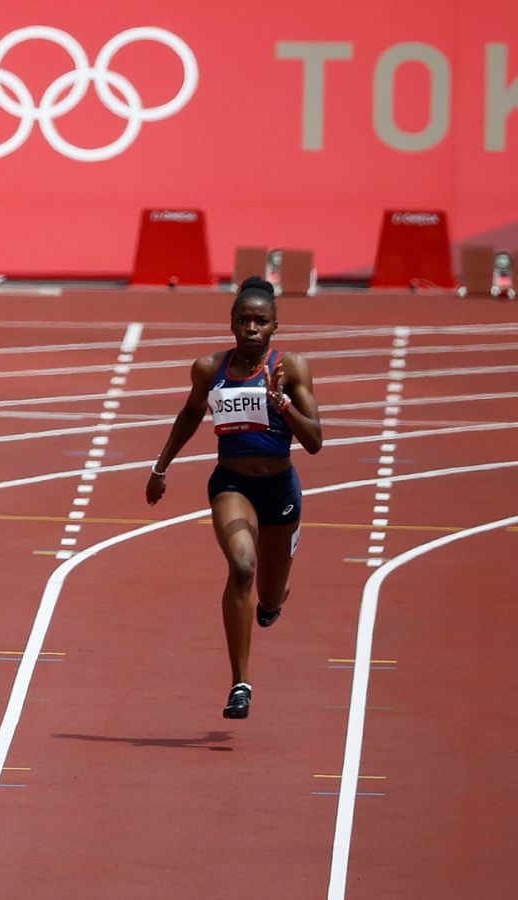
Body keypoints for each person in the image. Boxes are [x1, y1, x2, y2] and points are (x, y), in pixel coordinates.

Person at [145, 276, 323, 719]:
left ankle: (274, 600)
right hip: (232, 485)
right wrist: (160, 467)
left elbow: (316, 440)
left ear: (275, 326)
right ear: (231, 323)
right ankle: (240, 684)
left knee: (268, 596)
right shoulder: (209, 368)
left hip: (281, 490)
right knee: (242, 566)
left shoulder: (293, 368)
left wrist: (280, 402)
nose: (251, 329)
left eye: (260, 321)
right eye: (243, 320)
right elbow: (189, 414)